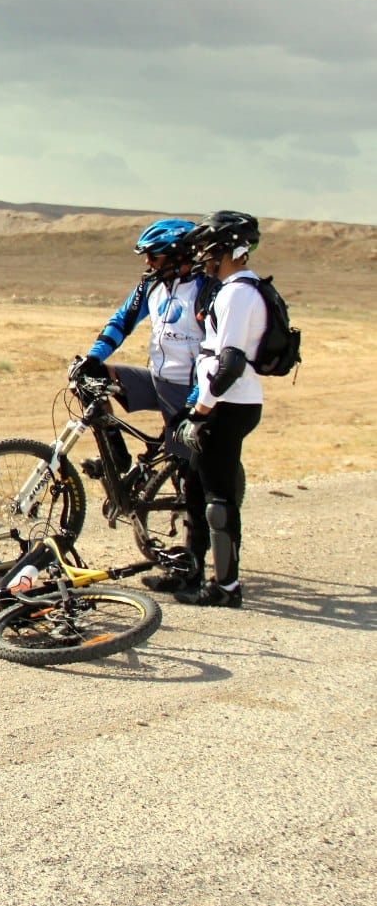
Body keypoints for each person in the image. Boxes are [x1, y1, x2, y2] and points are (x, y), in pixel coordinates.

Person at [72, 217, 215, 589]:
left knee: (190, 473)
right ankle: (117, 462)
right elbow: (122, 320)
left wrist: (197, 403)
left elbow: (216, 349)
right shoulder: (151, 285)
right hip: (156, 379)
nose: (148, 262)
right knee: (91, 379)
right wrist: (93, 356)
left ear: (177, 253)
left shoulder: (205, 289)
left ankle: (190, 559)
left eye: (154, 255)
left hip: (190, 389)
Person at [170, 210, 267, 608]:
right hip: (228, 401)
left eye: (208, 248)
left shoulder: (237, 294)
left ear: (227, 249)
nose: (202, 255)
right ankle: (194, 569)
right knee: (196, 484)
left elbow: (229, 362)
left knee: (218, 498)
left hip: (228, 404)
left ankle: (226, 587)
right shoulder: (237, 288)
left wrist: (202, 410)